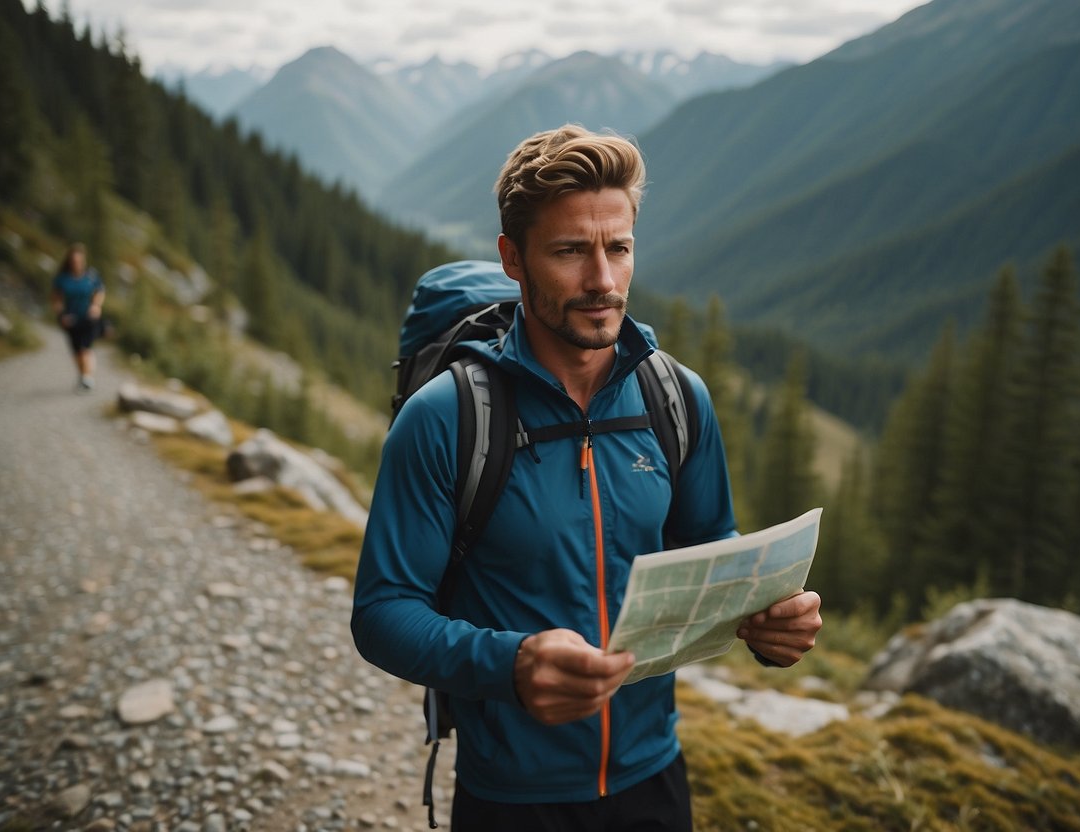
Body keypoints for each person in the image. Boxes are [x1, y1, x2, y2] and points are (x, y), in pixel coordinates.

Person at [351, 125, 822, 831]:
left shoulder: (675, 398)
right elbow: (383, 613)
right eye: (571, 251)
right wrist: (510, 664)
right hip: (511, 796)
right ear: (514, 259)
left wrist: (763, 622)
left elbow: (710, 550)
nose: (602, 280)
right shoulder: (446, 418)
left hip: (653, 775)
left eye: (619, 248)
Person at [51, 242, 105, 391]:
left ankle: (87, 378)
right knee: (76, 350)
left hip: (88, 317)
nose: (77, 264)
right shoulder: (62, 278)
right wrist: (62, 315)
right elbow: (57, 299)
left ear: (84, 260)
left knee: (85, 348)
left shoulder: (91, 275)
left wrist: (96, 306)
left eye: (79, 261)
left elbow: (99, 291)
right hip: (70, 319)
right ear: (69, 261)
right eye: (74, 261)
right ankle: (83, 376)